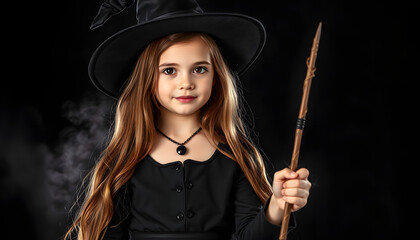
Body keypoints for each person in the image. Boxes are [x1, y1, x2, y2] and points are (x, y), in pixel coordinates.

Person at [65, 0, 311, 239]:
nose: (186, 83)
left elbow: (250, 234)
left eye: (199, 69)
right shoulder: (126, 160)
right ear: (148, 79)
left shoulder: (235, 156)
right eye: (169, 70)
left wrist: (278, 205)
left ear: (216, 77)